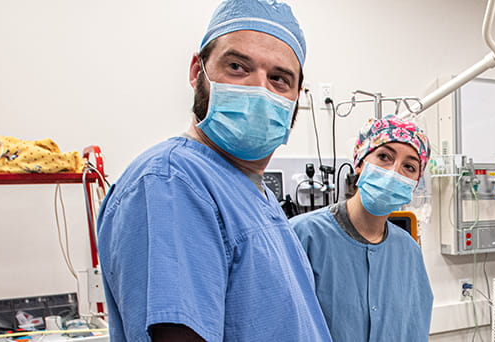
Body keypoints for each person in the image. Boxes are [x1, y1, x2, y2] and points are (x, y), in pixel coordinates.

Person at [94, 1, 331, 341]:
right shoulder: (172, 182)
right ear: (197, 71)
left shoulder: (253, 192)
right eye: (237, 67)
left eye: (279, 79)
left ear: (297, 97)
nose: (258, 89)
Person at [287, 117, 435, 341]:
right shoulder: (304, 236)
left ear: (416, 182)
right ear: (359, 162)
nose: (394, 172)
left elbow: (415, 328)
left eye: (409, 167)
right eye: (384, 156)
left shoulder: (408, 251)